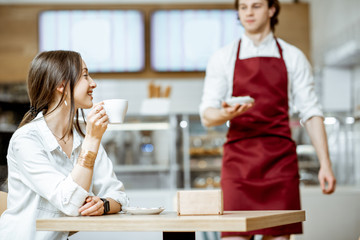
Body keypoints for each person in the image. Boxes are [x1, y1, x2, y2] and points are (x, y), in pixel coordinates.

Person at [199, 0, 336, 239]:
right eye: (243, 7)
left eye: (256, 5)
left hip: (280, 164)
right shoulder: (223, 57)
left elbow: (311, 112)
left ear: (272, 10)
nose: (248, 12)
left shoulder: (293, 57)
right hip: (238, 166)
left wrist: (325, 163)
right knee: (234, 235)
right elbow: (207, 115)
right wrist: (225, 114)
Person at [0, 50, 129, 240]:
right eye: (85, 75)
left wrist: (104, 204)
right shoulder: (26, 140)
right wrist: (92, 140)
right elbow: (69, 203)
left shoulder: (84, 138)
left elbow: (119, 196)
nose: (93, 83)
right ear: (61, 85)